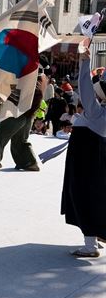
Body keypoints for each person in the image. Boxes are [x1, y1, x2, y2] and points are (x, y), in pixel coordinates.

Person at [61, 44, 106, 258]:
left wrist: (85, 61)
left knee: (82, 195)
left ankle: (90, 245)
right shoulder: (101, 112)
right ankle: (95, 237)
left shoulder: (97, 112)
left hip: (84, 159)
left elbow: (85, 88)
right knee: (96, 195)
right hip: (94, 158)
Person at [0, 75, 45, 176]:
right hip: (28, 118)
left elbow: (10, 94)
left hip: (17, 115)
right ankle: (30, 163)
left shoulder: (23, 82)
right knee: (20, 141)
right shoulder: (38, 87)